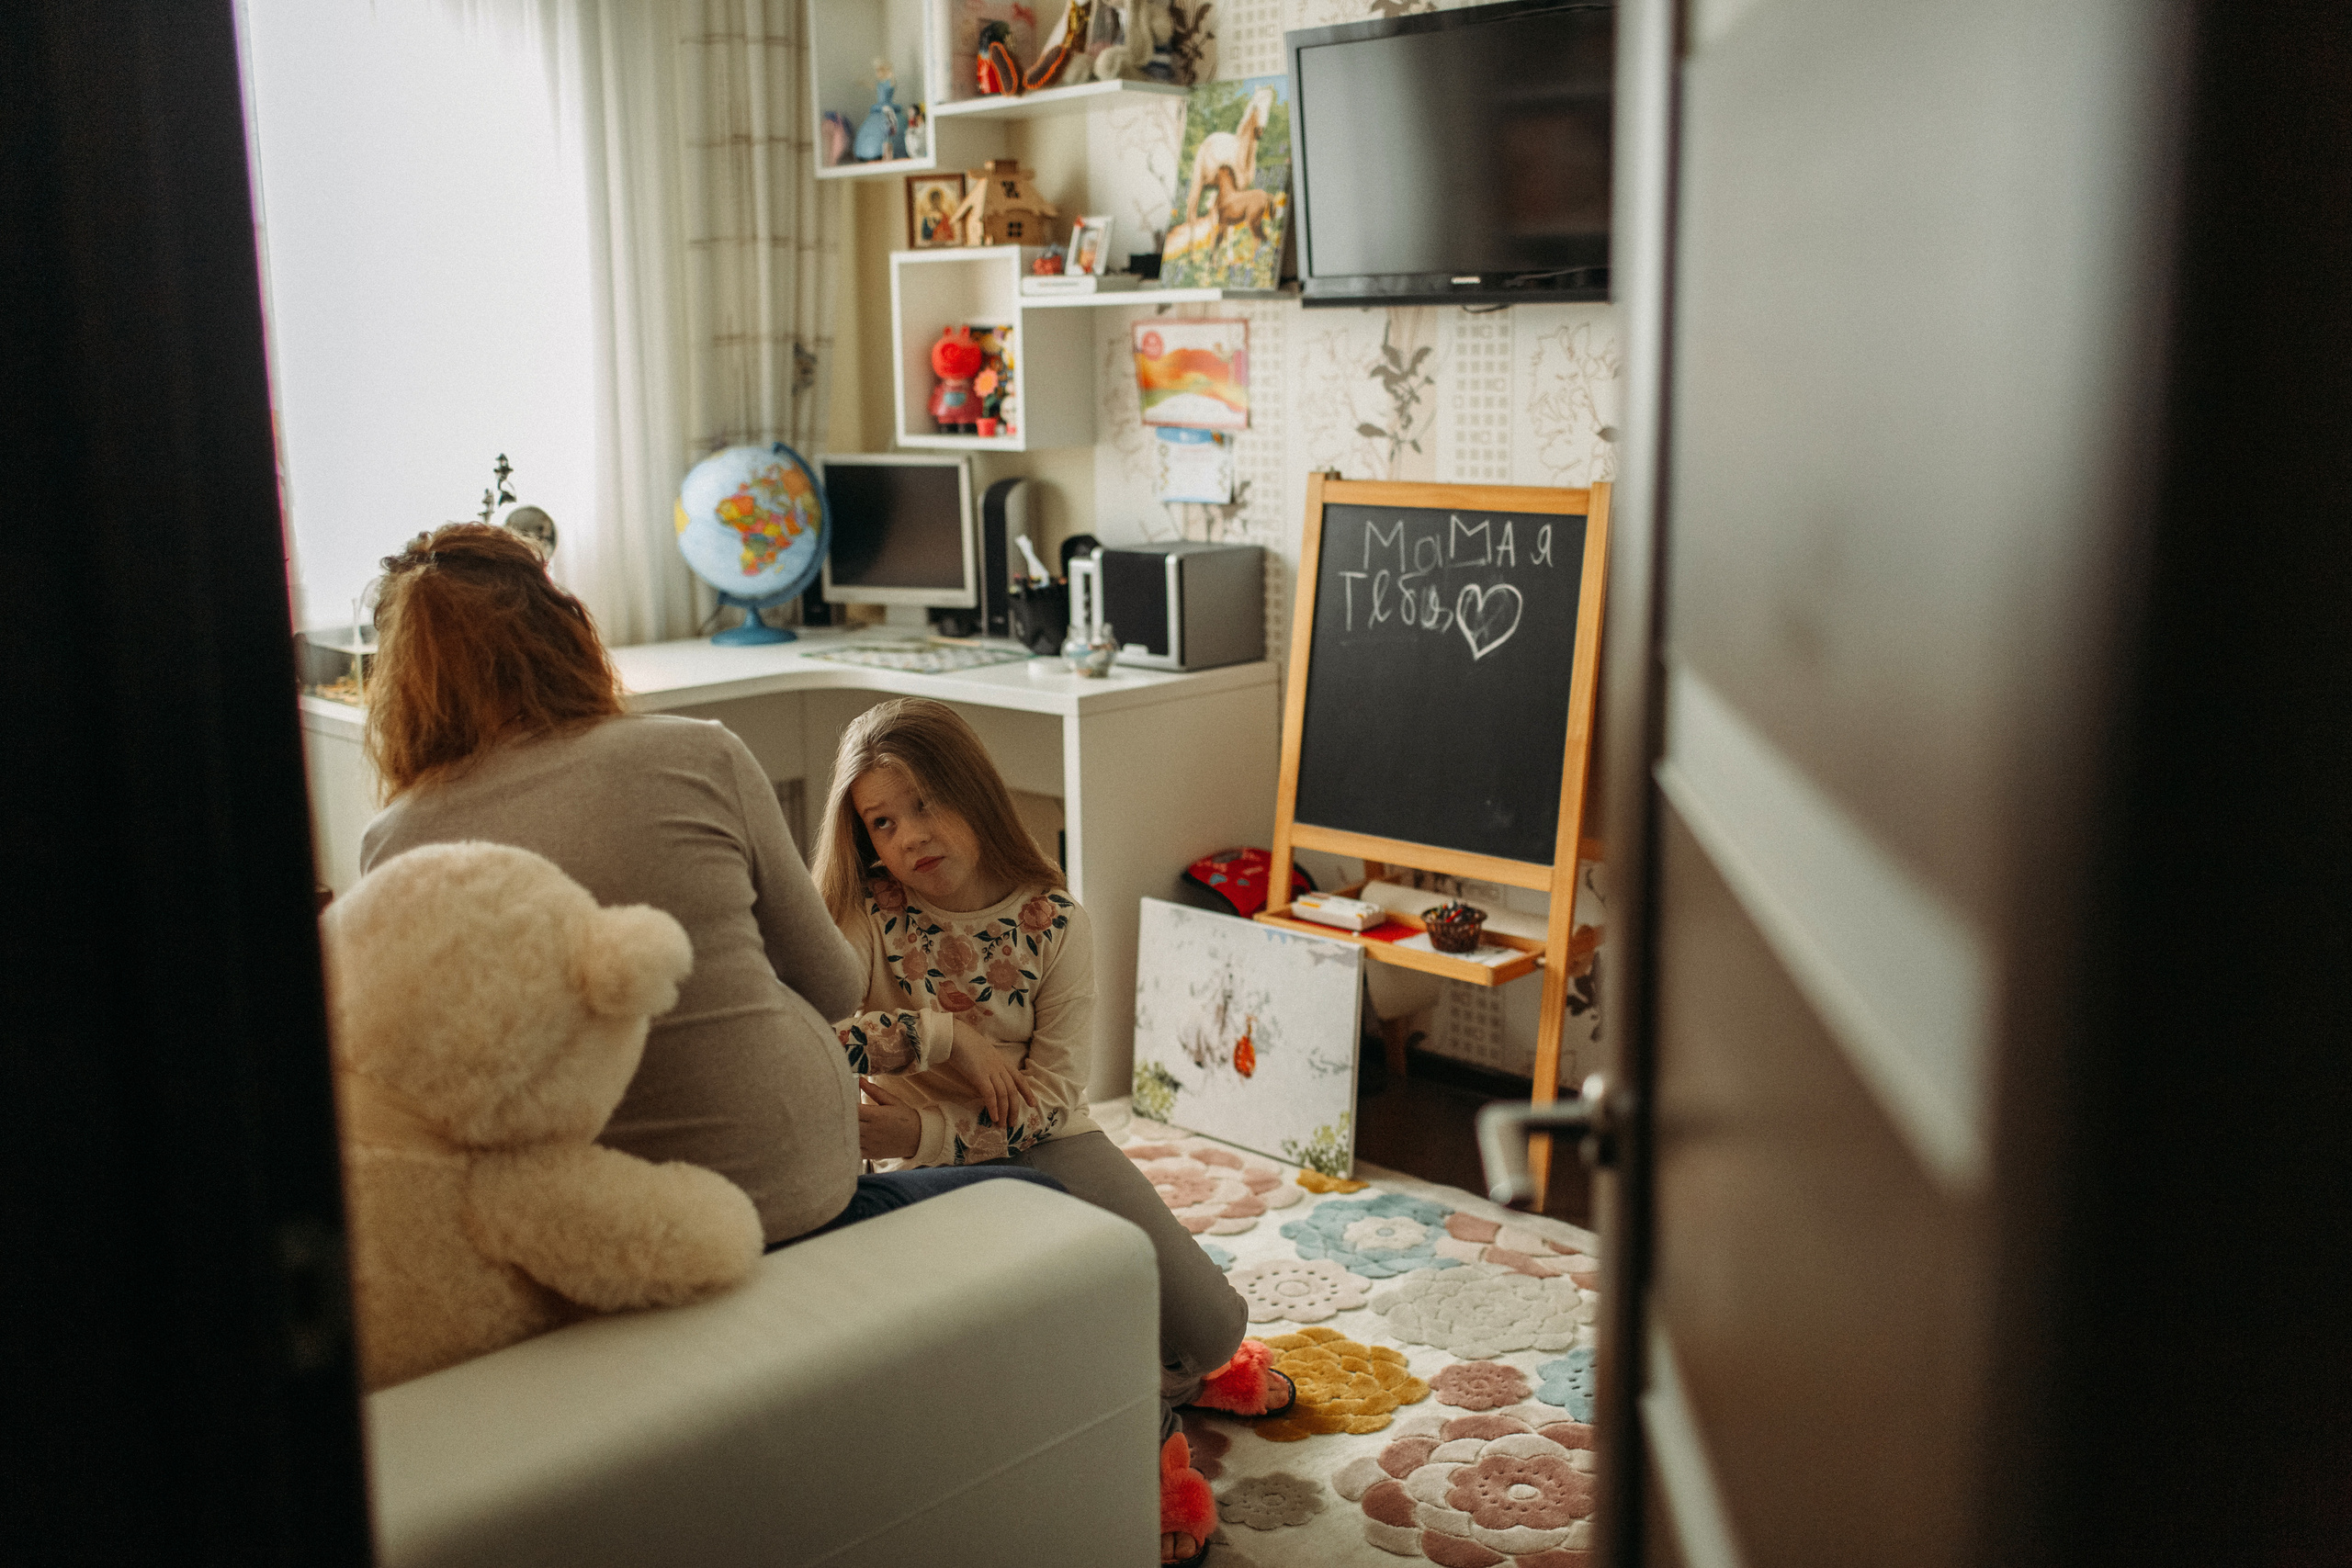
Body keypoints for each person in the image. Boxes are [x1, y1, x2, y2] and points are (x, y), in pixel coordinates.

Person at [356, 525, 1058, 1247]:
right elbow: (833, 985)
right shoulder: (694, 753)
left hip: (589, 1225)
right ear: (561, 626)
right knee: (1046, 1199)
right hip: (787, 1196)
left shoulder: (392, 844)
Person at [814, 697, 1296, 1567]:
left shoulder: (1056, 921)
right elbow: (822, 1037)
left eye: (924, 802)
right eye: (882, 821)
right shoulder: (868, 913)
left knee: (1217, 1328)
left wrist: (919, 1125)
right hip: (930, 1179)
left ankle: (1184, 1371)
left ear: (973, 791)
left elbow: (1051, 1101)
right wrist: (942, 1036)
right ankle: (1139, 1443)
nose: (909, 835)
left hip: (1037, 1144)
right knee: (1060, 1322)